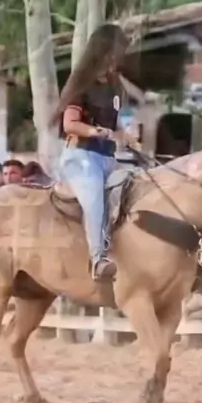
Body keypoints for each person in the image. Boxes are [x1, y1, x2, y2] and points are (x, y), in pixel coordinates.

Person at [49, 23, 134, 282]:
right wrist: (96, 131)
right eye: (117, 52)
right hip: (81, 158)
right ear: (104, 51)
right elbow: (70, 124)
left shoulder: (115, 86)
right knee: (95, 197)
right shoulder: (82, 85)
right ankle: (98, 259)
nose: (119, 58)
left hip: (108, 158)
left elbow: (115, 125)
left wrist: (126, 136)